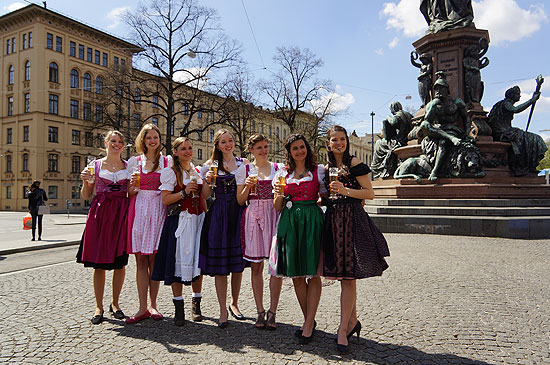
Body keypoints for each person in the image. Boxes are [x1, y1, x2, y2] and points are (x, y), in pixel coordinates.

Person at [323, 125, 390, 354]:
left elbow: (369, 193)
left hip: (352, 221)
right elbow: (326, 197)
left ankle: (343, 329)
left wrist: (344, 190)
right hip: (334, 222)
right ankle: (352, 322)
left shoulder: (353, 163)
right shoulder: (326, 167)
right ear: (328, 143)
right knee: (344, 276)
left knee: (348, 277)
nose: (339, 143)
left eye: (342, 139)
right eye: (334, 139)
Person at [272, 134, 326, 344]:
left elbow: (326, 196)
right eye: (295, 148)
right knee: (296, 275)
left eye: (302, 147)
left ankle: (309, 323)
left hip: (312, 221)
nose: (299, 151)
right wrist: (278, 194)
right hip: (290, 223)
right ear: (290, 152)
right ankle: (309, 320)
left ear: (307, 148)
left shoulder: (319, 171)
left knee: (313, 273)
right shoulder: (282, 174)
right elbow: (277, 207)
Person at [152, 137, 206, 326]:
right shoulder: (170, 172)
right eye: (183, 148)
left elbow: (205, 197)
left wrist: (207, 183)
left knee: (197, 262)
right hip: (179, 221)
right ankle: (179, 307)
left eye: (190, 148)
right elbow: (165, 200)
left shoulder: (197, 171)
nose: (187, 151)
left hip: (197, 220)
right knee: (176, 265)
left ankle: (196, 304)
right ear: (175, 152)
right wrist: (183, 192)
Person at [77, 131, 129, 325]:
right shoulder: (95, 166)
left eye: (120, 142)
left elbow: (131, 192)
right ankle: (98, 306)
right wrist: (84, 181)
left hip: (120, 216)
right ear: (106, 143)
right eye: (113, 141)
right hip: (100, 215)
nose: (116, 144)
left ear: (124, 145)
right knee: (98, 263)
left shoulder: (128, 166)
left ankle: (115, 303)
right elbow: (86, 196)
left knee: (120, 263)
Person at [199, 129, 249, 328]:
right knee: (221, 266)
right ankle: (221, 310)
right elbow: (204, 195)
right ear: (217, 146)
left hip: (237, 213)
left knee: (237, 264)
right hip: (218, 214)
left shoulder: (243, 164)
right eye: (223, 142)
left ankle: (234, 304)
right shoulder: (209, 166)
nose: (228, 144)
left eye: (230, 141)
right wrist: (208, 182)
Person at [236, 134, 283, 330]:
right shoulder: (244, 170)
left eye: (265, 146)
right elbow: (240, 201)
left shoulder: (278, 169)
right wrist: (247, 187)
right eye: (259, 148)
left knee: (275, 267)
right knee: (256, 267)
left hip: (273, 214)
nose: (263, 150)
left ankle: (273, 311)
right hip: (253, 215)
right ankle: (260, 310)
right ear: (251, 150)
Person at [125, 124, 171, 324]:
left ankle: (153, 305)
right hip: (140, 209)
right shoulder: (134, 162)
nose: (152, 141)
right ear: (142, 140)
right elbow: (128, 192)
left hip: (159, 209)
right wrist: (134, 187)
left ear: (160, 139)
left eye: (155, 137)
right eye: (148, 137)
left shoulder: (167, 161)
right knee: (141, 261)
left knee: (154, 260)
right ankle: (142, 307)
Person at [420, 72, 471, 180]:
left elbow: (466, 118)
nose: (438, 91)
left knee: (443, 142)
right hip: (438, 131)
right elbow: (426, 122)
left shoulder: (457, 102)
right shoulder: (433, 104)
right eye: (436, 89)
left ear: (447, 90)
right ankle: (450, 138)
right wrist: (433, 106)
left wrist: (467, 134)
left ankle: (435, 171)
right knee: (424, 125)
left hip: (453, 129)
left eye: (441, 88)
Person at [487, 85, 546, 176]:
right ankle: (525, 165)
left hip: (506, 130)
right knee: (534, 139)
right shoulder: (506, 103)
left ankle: (528, 165)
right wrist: (532, 100)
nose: (520, 96)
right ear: (512, 95)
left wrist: (535, 94)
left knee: (532, 139)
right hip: (503, 132)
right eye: (518, 94)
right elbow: (516, 109)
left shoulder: (503, 103)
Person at [371, 101, 413, 179]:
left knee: (378, 143)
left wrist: (388, 117)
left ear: (393, 108)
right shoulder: (409, 115)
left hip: (400, 141)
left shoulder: (399, 114)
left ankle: (377, 168)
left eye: (391, 109)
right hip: (407, 139)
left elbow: (394, 122)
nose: (391, 112)